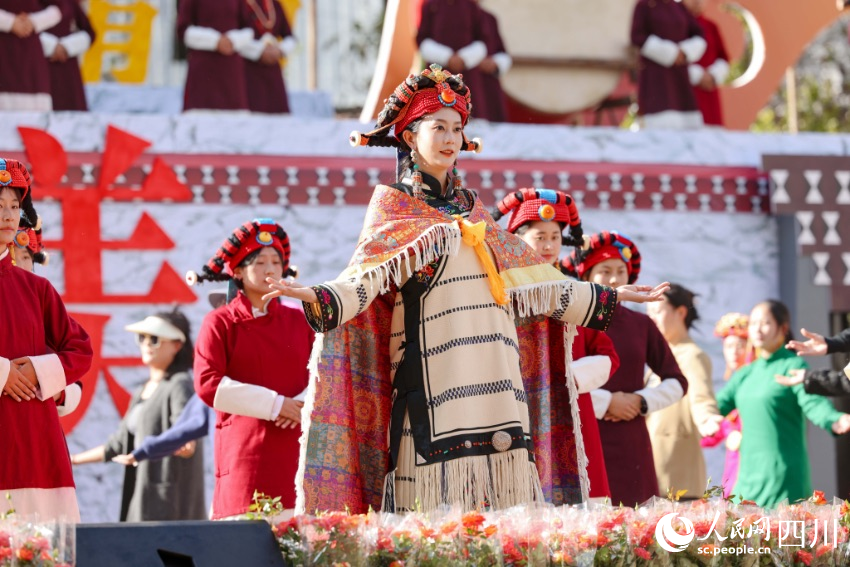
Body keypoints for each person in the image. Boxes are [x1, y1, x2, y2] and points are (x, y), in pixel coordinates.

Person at [265, 65, 669, 515]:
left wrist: (611, 296)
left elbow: (535, 281)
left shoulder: (474, 210)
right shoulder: (394, 204)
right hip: (431, 376)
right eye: (438, 127)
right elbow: (365, 279)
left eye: (457, 129)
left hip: (497, 376)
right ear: (410, 136)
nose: (450, 138)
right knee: (429, 514)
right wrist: (318, 296)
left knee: (504, 512)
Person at [494, 187, 620, 503]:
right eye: (540, 237)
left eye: (555, 237)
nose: (549, 245)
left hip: (571, 406)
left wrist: (567, 379)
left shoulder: (574, 293)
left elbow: (607, 356)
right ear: (517, 239)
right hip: (515, 404)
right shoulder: (499, 291)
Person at [188, 218, 312, 519]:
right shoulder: (219, 322)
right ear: (238, 272)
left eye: (276, 262)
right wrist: (276, 404)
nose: (270, 269)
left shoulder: (302, 321)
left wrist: (303, 404)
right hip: (246, 455)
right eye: (260, 262)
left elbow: (326, 372)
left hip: (297, 450)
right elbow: (208, 384)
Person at [563, 231, 688, 507]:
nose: (614, 280)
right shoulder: (571, 322)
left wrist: (640, 401)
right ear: (586, 277)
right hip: (584, 435)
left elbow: (677, 381)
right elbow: (558, 377)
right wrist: (606, 402)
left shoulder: (641, 325)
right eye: (605, 271)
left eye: (621, 271)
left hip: (633, 441)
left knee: (637, 522)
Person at [0, 158, 92, 521]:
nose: (8, 215)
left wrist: (38, 372)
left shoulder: (36, 289)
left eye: (13, 206)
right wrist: (3, 373)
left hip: (34, 442)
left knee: (38, 543)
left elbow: (79, 349)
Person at [71, 310, 206, 522]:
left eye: (155, 339)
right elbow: (117, 445)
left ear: (177, 345)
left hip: (170, 506)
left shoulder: (179, 384)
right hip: (142, 498)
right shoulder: (142, 391)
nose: (146, 344)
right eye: (142, 338)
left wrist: (187, 444)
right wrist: (71, 460)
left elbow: (185, 431)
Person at [716, 301, 850, 508]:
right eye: (754, 323)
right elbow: (716, 406)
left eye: (765, 323)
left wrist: (833, 419)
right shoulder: (745, 373)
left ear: (783, 328)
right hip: (747, 475)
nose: (758, 329)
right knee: (740, 525)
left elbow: (812, 401)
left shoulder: (792, 365)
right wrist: (700, 413)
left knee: (781, 526)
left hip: (782, 475)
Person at [645, 284, 722, 499]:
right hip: (654, 463)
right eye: (649, 313)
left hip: (676, 467)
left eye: (658, 311)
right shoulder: (662, 356)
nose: (652, 319)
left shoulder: (692, 355)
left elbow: (701, 397)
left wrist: (708, 419)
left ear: (680, 312)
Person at [13, 226, 82, 418]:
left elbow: (77, 356)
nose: (19, 264)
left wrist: (42, 379)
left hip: (35, 416)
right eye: (11, 256)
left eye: (25, 257)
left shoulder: (42, 300)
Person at [630, 0, 706, 129]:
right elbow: (637, 36)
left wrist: (684, 52)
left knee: (686, 129)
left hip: (680, 75)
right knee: (658, 126)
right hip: (655, 75)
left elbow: (699, 34)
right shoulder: (644, 5)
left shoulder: (679, 8)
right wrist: (670, 53)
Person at [699, 312, 750, 498]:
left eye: (740, 345)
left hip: (751, 461)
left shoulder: (753, 383)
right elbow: (711, 436)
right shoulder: (732, 387)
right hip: (734, 463)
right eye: (729, 346)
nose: (734, 352)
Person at [417, 0, 490, 120]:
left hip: (468, 76)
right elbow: (421, 39)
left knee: (470, 117)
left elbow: (483, 40)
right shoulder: (430, 5)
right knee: (436, 118)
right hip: (438, 74)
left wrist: (463, 58)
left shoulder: (471, 6)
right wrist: (447, 57)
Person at [177, 0, 253, 111]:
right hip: (203, 71)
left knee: (233, 117)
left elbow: (248, 28)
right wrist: (215, 41)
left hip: (231, 72)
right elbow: (183, 29)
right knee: (201, 116)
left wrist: (232, 40)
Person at [0, 1, 61, 110]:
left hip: (31, 56)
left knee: (35, 114)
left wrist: (32, 21)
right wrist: (9, 22)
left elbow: (61, 7)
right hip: (3, 53)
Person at [237, 0, 296, 113]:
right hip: (247, 70)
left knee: (277, 113)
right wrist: (260, 50)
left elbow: (290, 37)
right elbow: (232, 35)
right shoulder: (240, 4)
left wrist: (279, 50)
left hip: (273, 71)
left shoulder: (275, 5)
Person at [39, 0, 94, 111]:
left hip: (67, 66)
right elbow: (22, 25)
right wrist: (51, 46)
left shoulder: (69, 2)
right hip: (38, 64)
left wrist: (65, 47)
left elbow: (89, 32)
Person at [682, 0, 730, 126]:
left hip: (709, 92)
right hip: (684, 93)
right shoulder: (674, 26)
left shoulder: (711, 26)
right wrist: (696, 75)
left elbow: (723, 57)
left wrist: (713, 75)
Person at [777, 328, 850, 396]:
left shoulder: (794, 362)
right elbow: (844, 381)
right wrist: (834, 342)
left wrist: (810, 378)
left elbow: (844, 381)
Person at [475, 3, 511, 122]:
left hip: (487, 85)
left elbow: (501, 51)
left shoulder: (489, 18)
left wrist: (495, 63)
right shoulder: (446, 15)